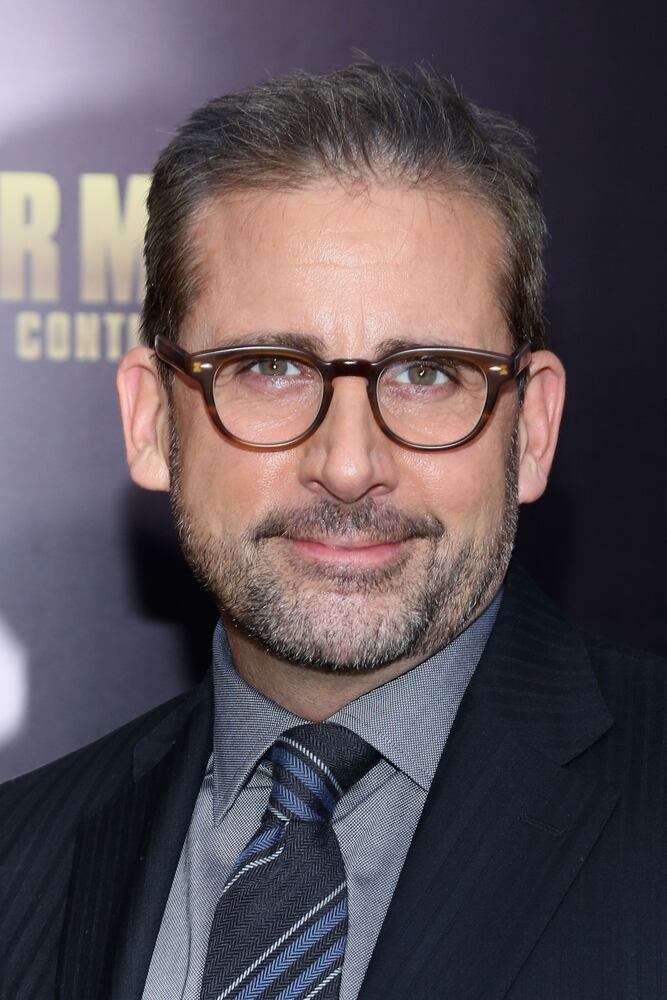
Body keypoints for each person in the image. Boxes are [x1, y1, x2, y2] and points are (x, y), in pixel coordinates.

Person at [1, 62, 665, 1000]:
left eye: (426, 374)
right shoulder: (20, 859)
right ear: (151, 420)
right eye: (270, 367)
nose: (349, 465)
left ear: (532, 429)